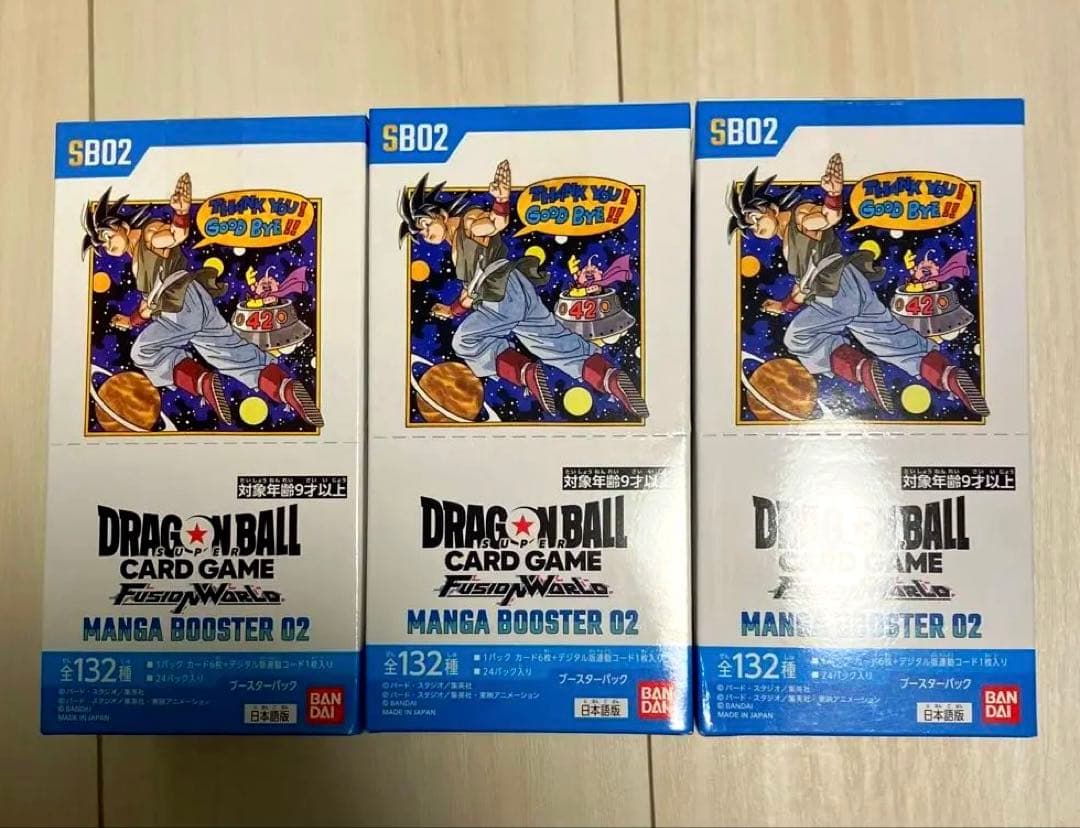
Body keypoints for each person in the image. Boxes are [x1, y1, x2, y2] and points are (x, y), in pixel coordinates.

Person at [728, 154, 988, 417]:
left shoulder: (800, 217)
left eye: (755, 218)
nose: (755, 228)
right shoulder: (787, 239)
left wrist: (833, 195)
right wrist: (783, 306)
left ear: (771, 208)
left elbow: (827, 218)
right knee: (892, 340)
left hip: (836, 291)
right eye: (749, 228)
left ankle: (860, 369)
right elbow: (802, 291)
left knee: (798, 337)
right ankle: (949, 376)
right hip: (852, 284)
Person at [399, 162, 648, 418]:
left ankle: (524, 372)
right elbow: (470, 295)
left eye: (425, 223)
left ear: (440, 213)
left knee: (465, 341)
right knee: (554, 343)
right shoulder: (456, 246)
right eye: (420, 232)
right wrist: (452, 310)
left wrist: (501, 201)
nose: (425, 233)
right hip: (517, 289)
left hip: (502, 295)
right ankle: (610, 379)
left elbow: (494, 224)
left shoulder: (468, 223)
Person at [82, 173, 322, 426]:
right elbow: (148, 307)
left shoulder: (149, 235)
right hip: (196, 301)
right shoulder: (137, 260)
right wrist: (131, 321)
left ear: (122, 225)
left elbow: (175, 235)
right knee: (232, 354)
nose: (107, 246)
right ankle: (286, 388)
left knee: (143, 351)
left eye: (108, 237)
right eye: (102, 245)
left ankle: (201, 382)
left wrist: (181, 213)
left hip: (181, 308)